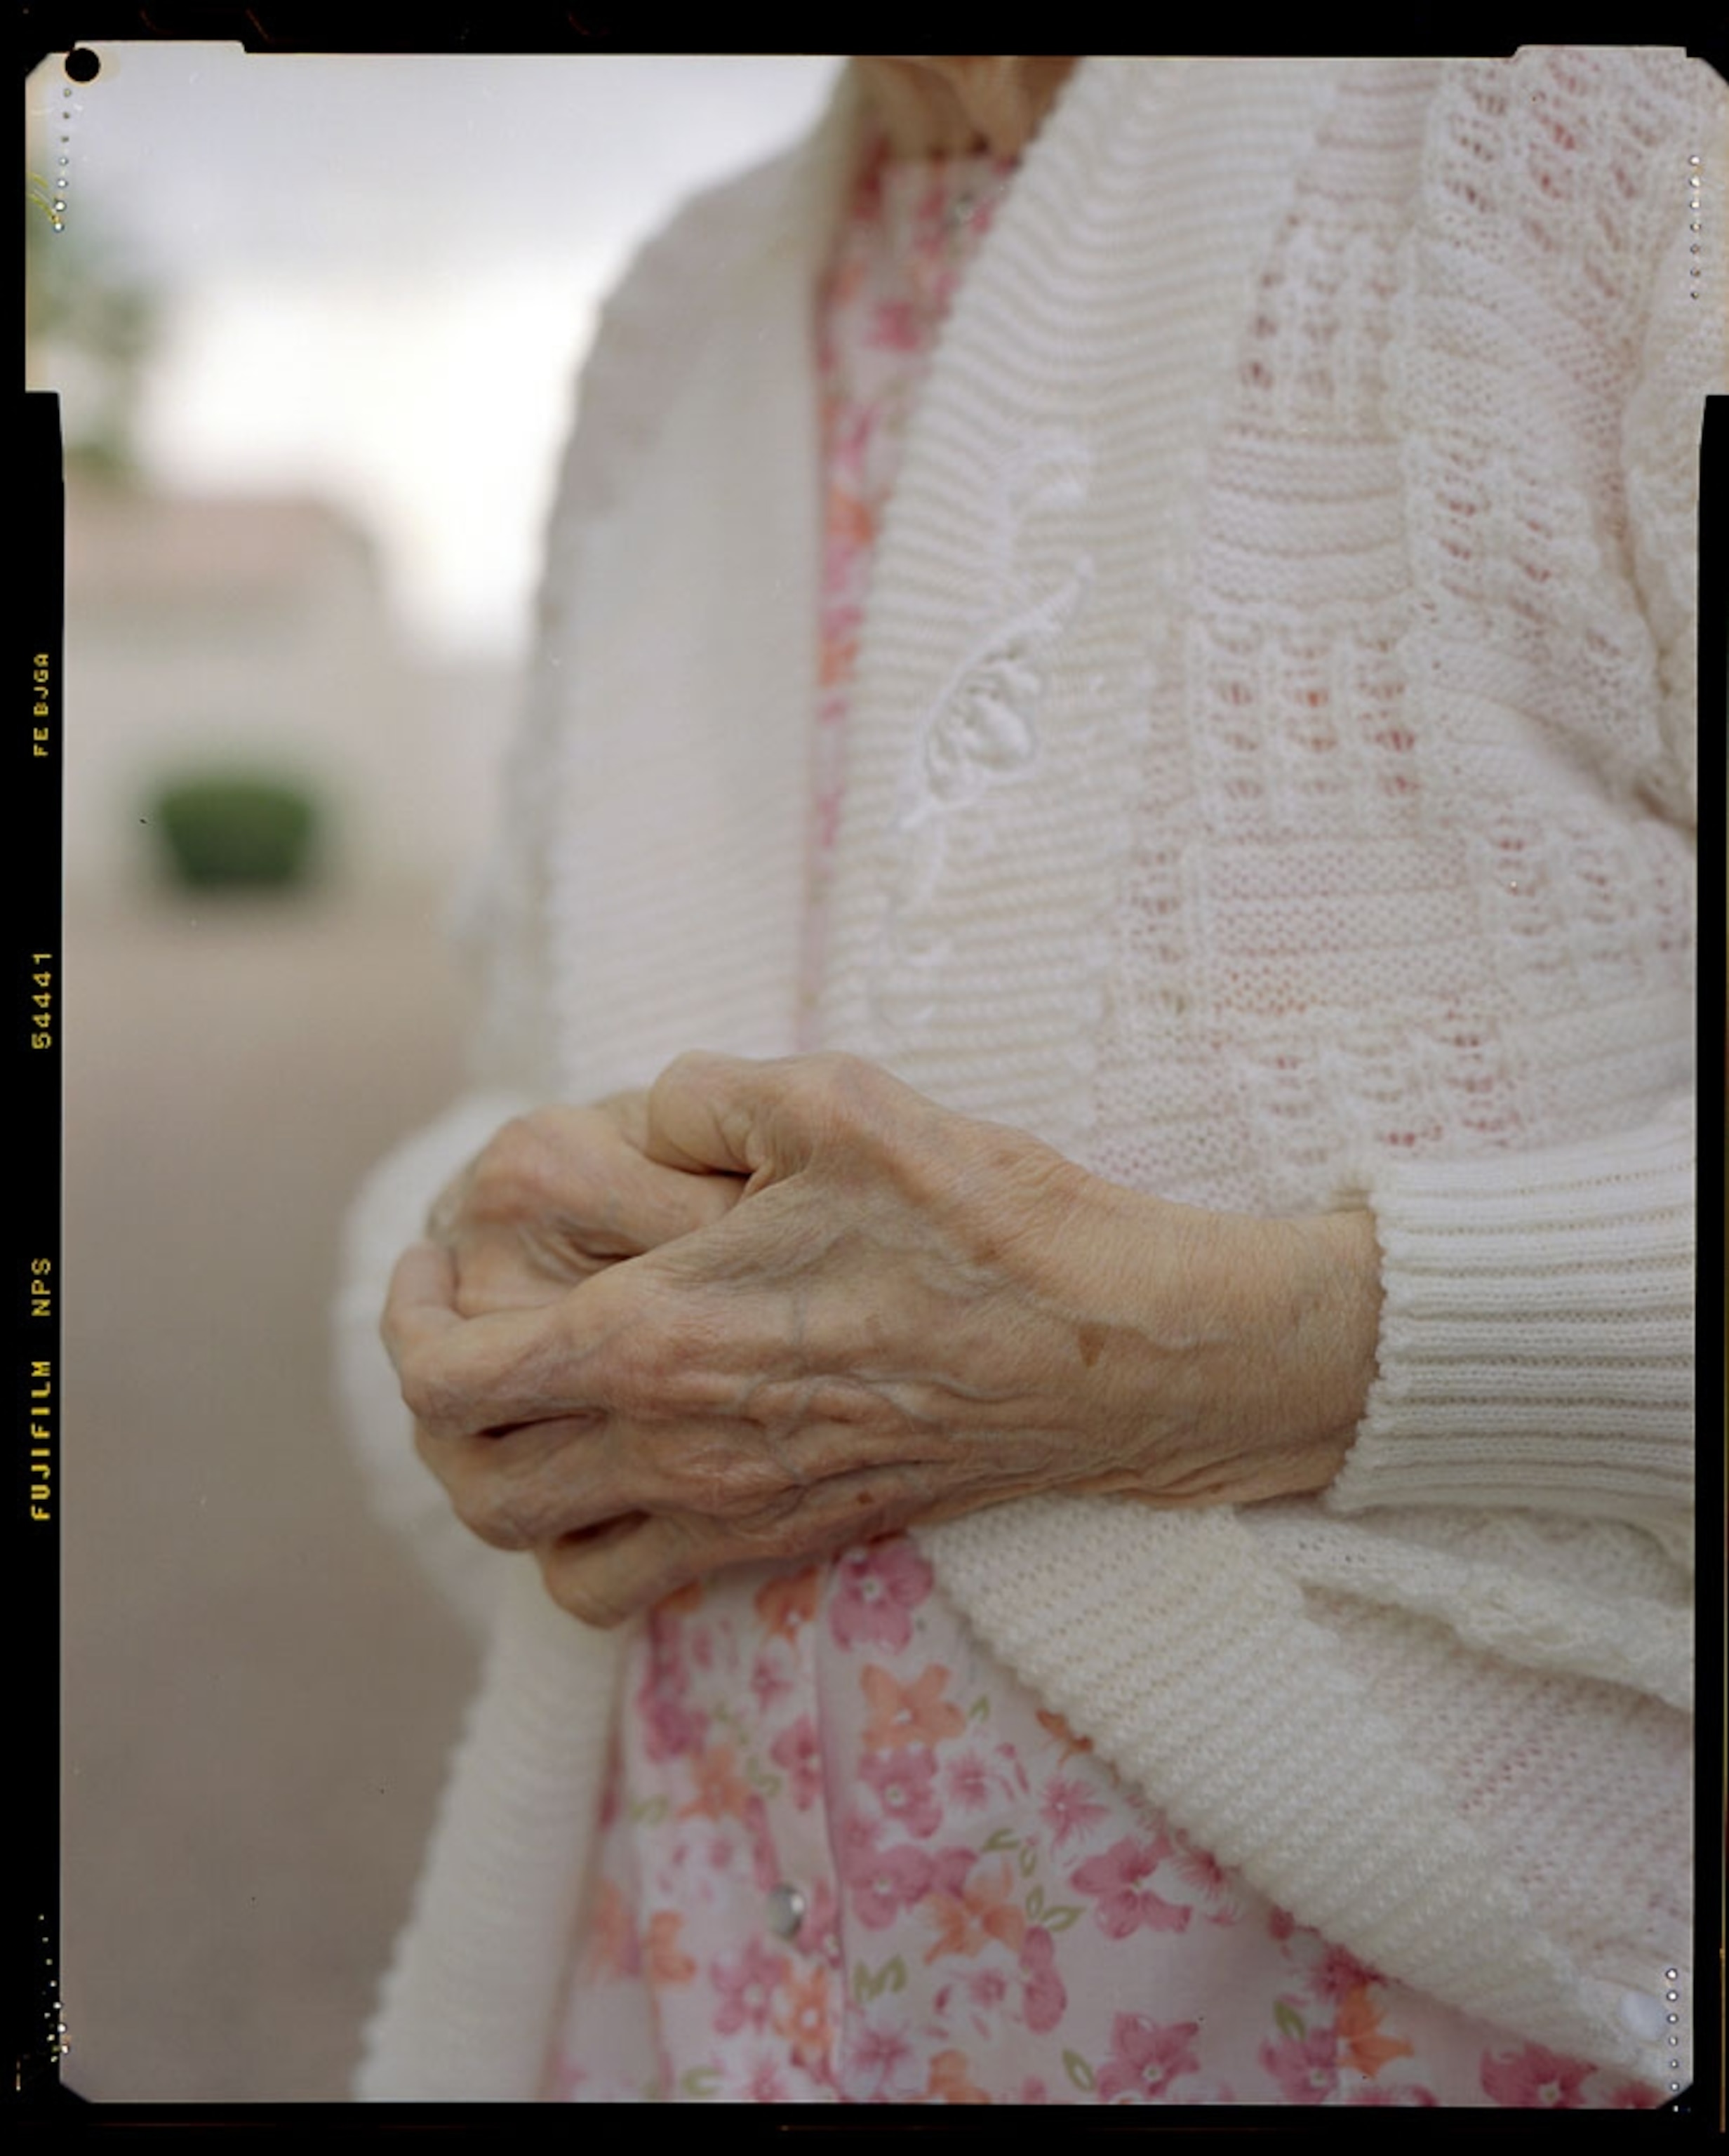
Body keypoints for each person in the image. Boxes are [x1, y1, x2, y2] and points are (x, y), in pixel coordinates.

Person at [335, 52, 1714, 2105]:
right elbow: (517, 1080)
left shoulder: (1612, 137)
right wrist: (472, 1284)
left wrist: (1215, 1351)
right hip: (691, 1998)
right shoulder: (682, 310)